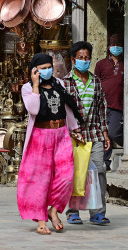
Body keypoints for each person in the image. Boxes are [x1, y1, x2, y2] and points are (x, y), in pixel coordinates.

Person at [17, 53, 83, 235]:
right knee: (41, 179)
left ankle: (53, 210)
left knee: (66, 176)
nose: (47, 71)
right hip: (40, 136)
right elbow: (33, 109)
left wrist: (75, 129)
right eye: (42, 68)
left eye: (49, 67)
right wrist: (36, 85)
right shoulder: (27, 88)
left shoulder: (59, 84)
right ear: (34, 70)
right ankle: (41, 219)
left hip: (61, 134)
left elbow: (67, 108)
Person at [64, 41, 111, 225]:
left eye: (87, 58)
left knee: (99, 171)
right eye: (80, 58)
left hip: (95, 133)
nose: (84, 61)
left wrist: (105, 132)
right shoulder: (65, 83)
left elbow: (101, 108)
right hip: (74, 135)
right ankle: (73, 211)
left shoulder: (96, 81)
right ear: (73, 59)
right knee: (76, 173)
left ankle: (98, 212)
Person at [95, 34, 124, 170]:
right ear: (108, 47)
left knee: (113, 133)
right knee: (103, 135)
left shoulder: (125, 63)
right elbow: (96, 83)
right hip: (102, 104)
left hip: (118, 105)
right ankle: (105, 164)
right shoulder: (101, 64)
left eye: (118, 45)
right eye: (113, 45)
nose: (116, 47)